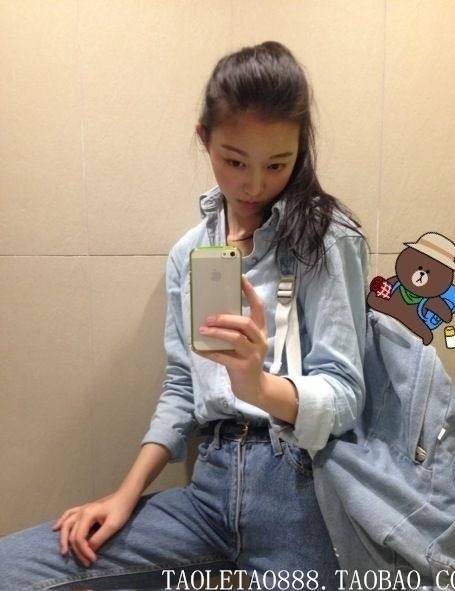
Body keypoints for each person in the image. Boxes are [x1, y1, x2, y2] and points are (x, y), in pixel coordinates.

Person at [0, 41, 369, 591]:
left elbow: (345, 395)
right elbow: (180, 388)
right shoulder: (190, 253)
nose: (253, 185)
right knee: (12, 568)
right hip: (208, 490)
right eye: (234, 161)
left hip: (300, 489)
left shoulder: (328, 238)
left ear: (301, 147)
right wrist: (125, 495)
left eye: (277, 164)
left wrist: (259, 386)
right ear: (205, 139)